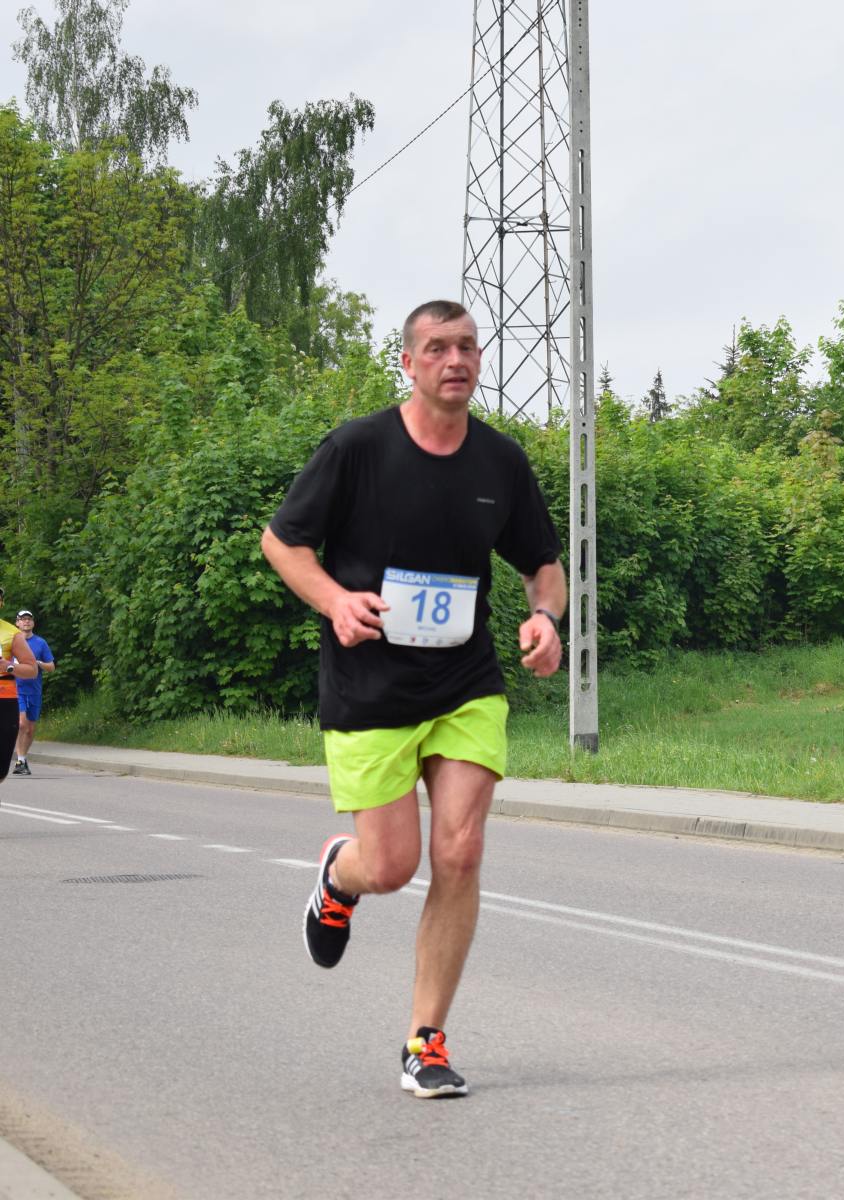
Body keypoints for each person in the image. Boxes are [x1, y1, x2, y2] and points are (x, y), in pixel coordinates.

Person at [261, 299, 565, 1098]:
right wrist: (335, 600)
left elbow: (542, 564)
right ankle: (341, 876)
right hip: (369, 684)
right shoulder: (357, 449)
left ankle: (425, 1042)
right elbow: (282, 542)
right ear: (408, 363)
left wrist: (545, 619)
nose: (455, 360)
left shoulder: (500, 463)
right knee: (392, 867)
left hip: (465, 685)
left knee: (460, 851)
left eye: (467, 346)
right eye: (436, 348)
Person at [0, 588, 40, 793]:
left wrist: (8, 666)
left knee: (1, 769)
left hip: (4, 701)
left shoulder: (11, 634)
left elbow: (32, 669)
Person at [13, 610, 56, 775]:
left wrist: (38, 663)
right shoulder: (11, 642)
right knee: (21, 724)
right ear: (17, 623)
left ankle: (22, 759)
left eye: (29, 619)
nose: (26, 622)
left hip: (34, 690)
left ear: (33, 622)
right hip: (16, 689)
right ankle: (19, 761)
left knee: (30, 729)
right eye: (22, 619)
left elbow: (51, 667)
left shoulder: (40, 643)